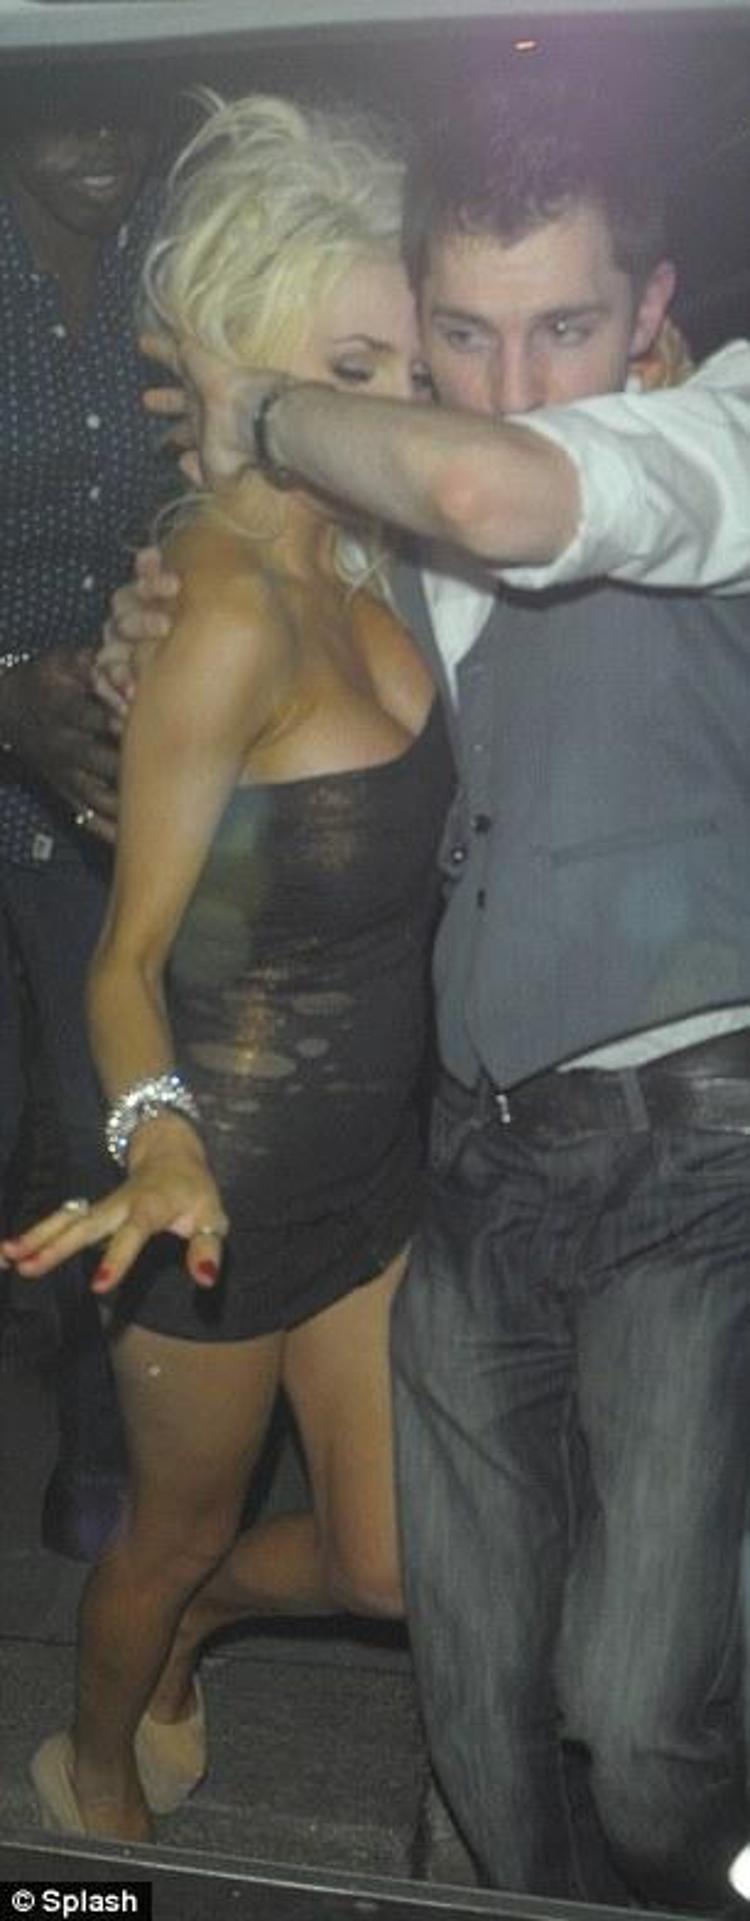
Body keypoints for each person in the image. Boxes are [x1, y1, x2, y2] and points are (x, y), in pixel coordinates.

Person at [104, 73, 750, 1910]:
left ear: (651, 306)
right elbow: (262, 713)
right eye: (453, 337)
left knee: (638, 1715)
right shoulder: (386, 552)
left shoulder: (711, 425)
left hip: (688, 1142)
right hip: (444, 1163)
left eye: (564, 326)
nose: (502, 382)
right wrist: (127, 649)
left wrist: (263, 410)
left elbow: (503, 486)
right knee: (467, 1697)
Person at [1, 92, 453, 1844]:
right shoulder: (219, 606)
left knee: (387, 1565)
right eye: (347, 365)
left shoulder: (372, 549)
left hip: (371, 1178)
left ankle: (195, 1632)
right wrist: (161, 1135)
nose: (386, 403)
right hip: (219, 1194)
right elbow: (121, 959)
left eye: (402, 365)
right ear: (245, 359)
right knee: (167, 1530)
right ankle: (94, 1770)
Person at [0, 68, 174, 1559]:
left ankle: (102, 1436)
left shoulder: (174, 249)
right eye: (67, 105)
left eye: (126, 104)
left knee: (94, 1090)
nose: (104, 140)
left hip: (112, 735)